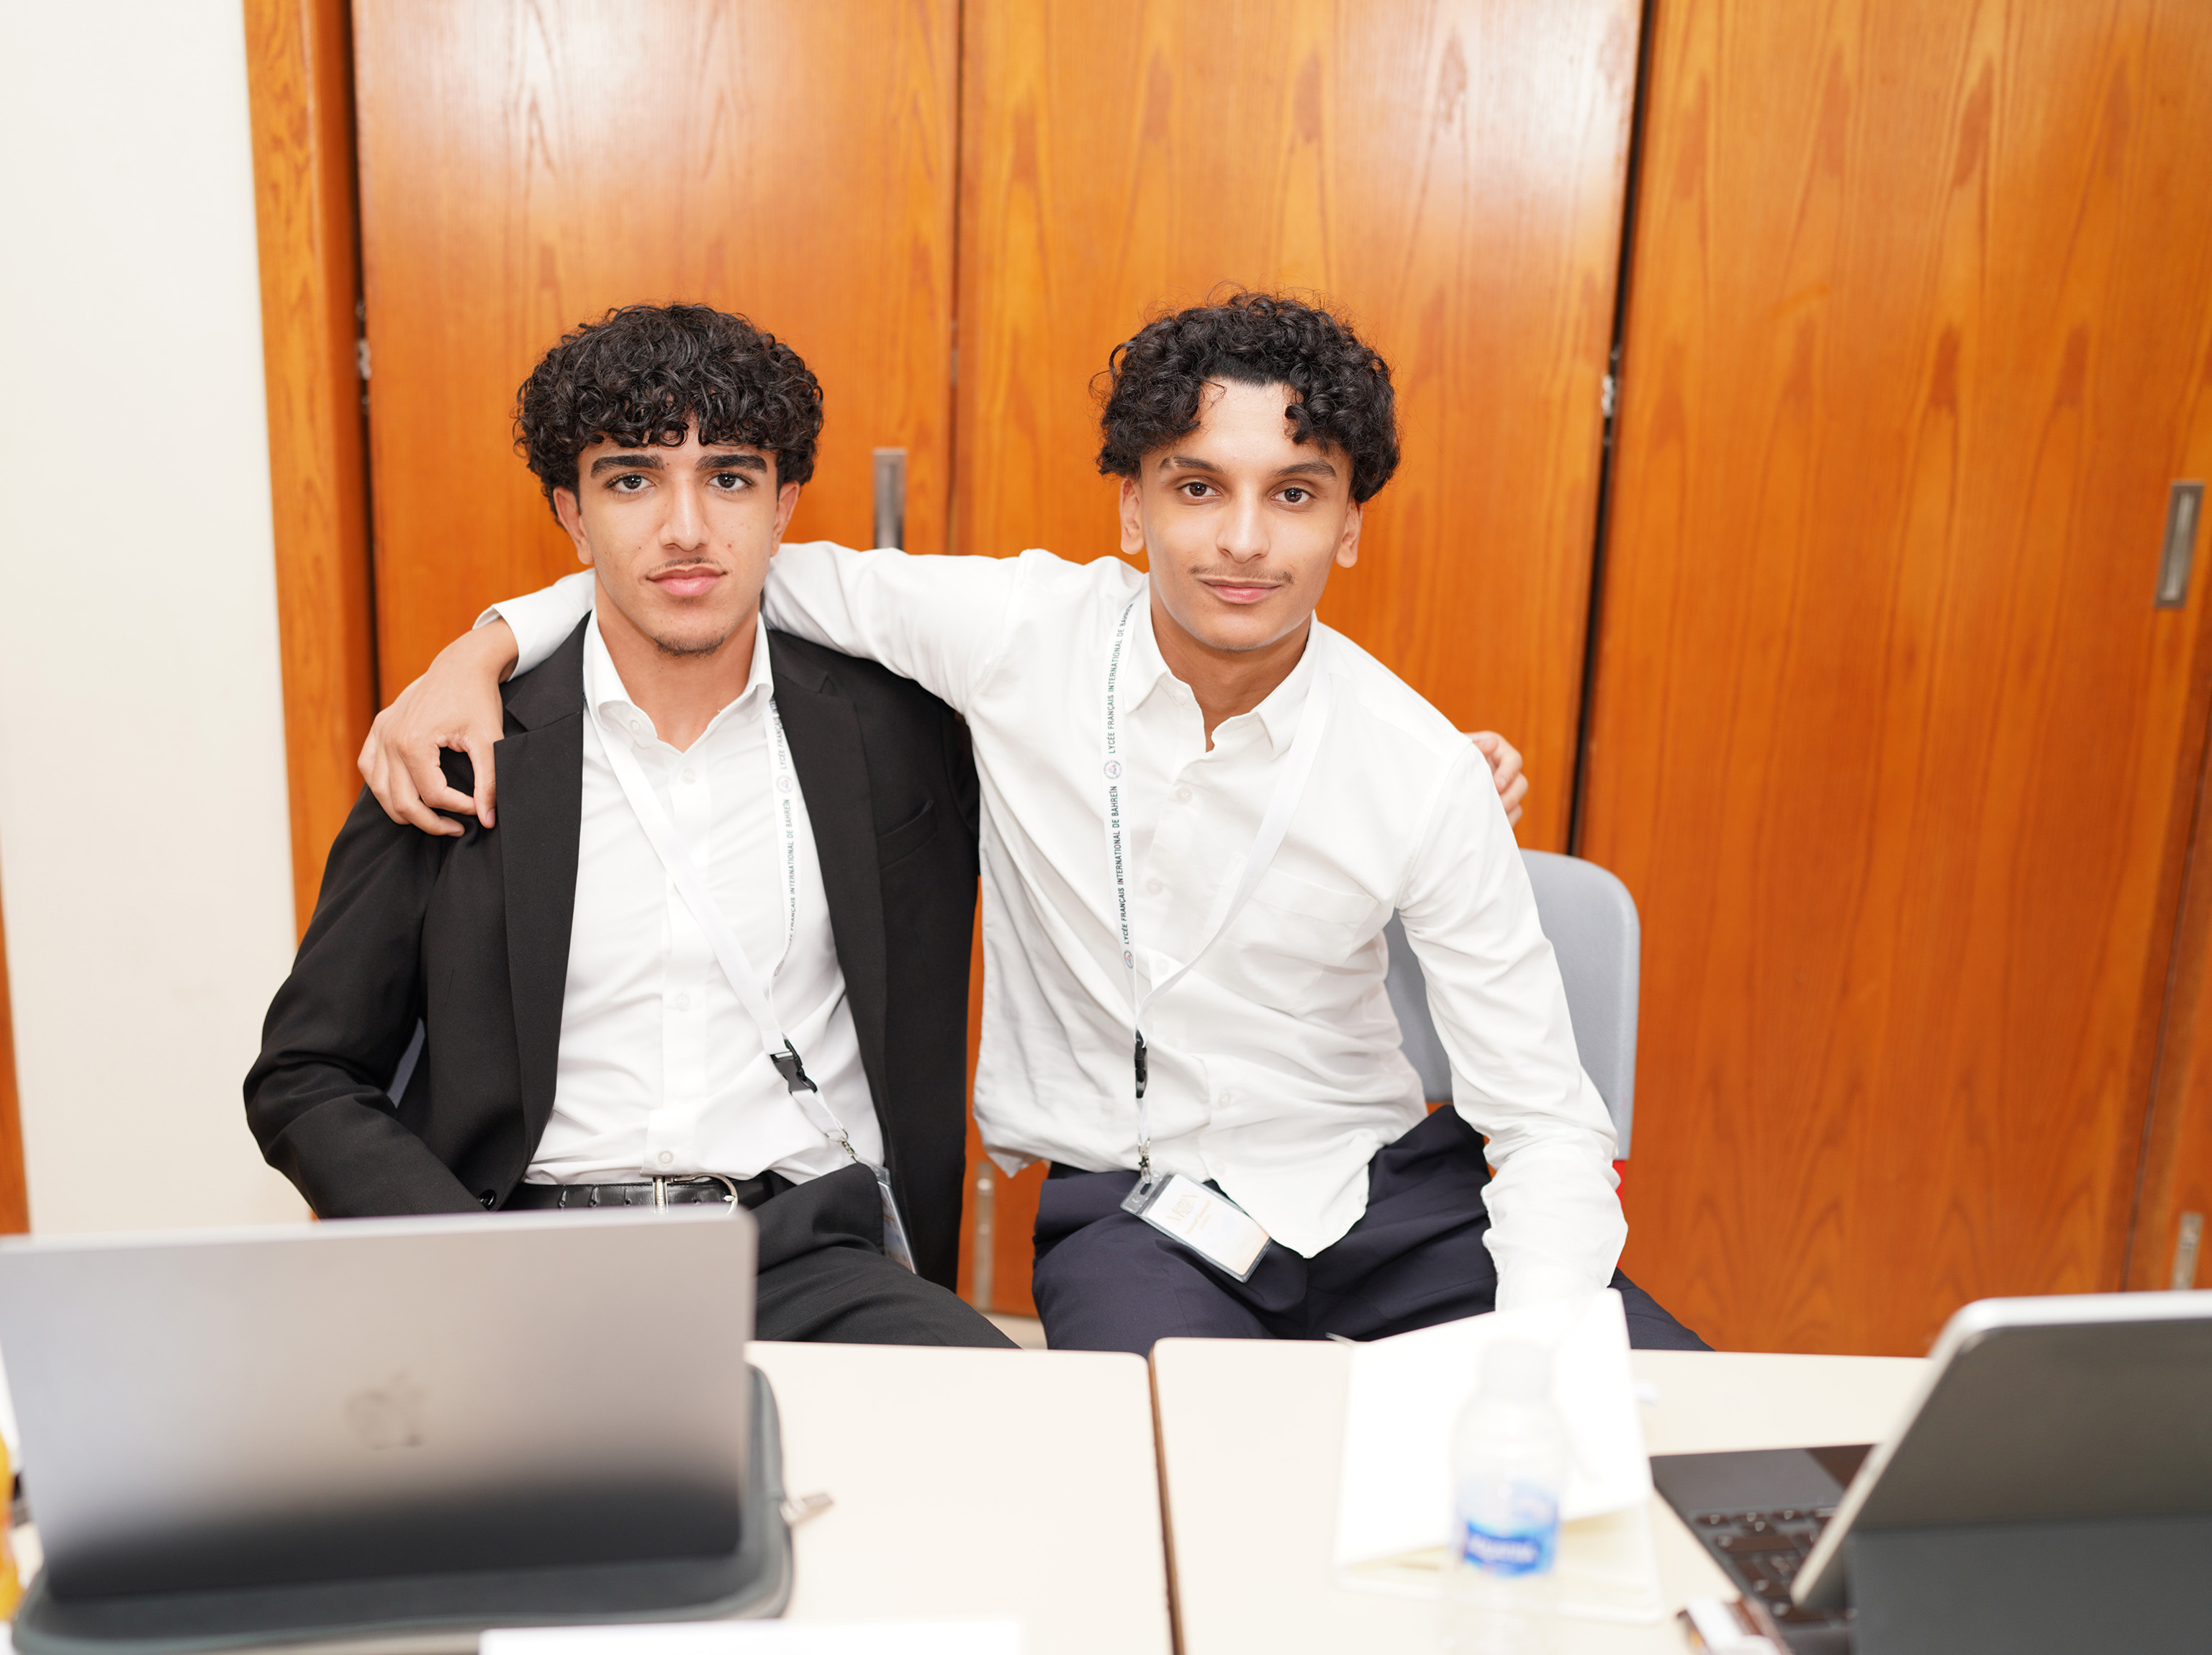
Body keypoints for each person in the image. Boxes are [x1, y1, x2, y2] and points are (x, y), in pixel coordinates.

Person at [364, 292, 1705, 1355]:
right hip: (1132, 1213)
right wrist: (479, 649)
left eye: (1294, 493)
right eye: (1196, 487)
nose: (1242, 541)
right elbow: (707, 561)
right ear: (1130, 505)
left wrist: (1540, 1362)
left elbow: (1545, 1117)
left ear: (1351, 525)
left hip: (1380, 1193)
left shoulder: (1418, 766)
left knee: (1669, 1431)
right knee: (1165, 1491)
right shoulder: (1019, 636)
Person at [247, 303, 1014, 1348]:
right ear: (572, 514)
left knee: (1007, 1423)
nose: (686, 528)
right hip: (522, 1253)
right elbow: (304, 1075)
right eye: (632, 480)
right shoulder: (461, 744)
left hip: (803, 1255)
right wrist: (454, 1263)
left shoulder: (897, 741)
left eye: (729, 478)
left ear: (784, 507)